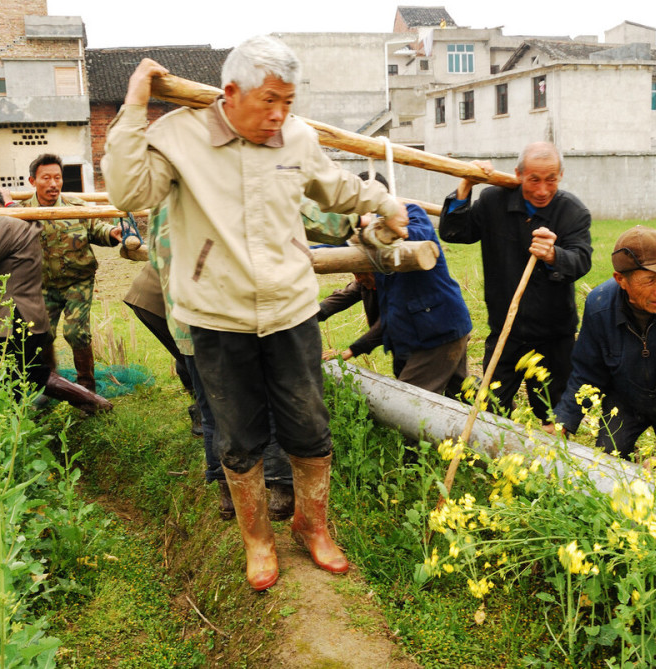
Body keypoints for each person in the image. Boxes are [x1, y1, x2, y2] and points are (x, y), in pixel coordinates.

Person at [102, 35, 408, 591]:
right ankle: (258, 540)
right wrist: (132, 107)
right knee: (239, 437)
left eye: (288, 101)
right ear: (231, 92)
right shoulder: (179, 136)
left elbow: (332, 187)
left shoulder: (296, 136)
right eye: (269, 100)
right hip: (217, 317)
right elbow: (127, 190)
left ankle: (312, 527)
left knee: (309, 428)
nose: (279, 114)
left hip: (291, 311)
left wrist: (378, 200)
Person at [124, 206, 295, 522]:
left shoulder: (169, 203)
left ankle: (227, 495)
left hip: (189, 326)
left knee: (212, 412)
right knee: (263, 402)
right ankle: (280, 487)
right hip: (227, 324)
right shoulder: (219, 196)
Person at [551, 226, 656, 484]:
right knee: (607, 470)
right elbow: (588, 371)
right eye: (650, 280)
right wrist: (562, 421)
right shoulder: (599, 306)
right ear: (621, 280)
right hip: (626, 398)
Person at [439, 142, 592, 421]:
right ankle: (492, 461)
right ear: (519, 174)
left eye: (551, 180)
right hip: (505, 329)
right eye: (534, 180)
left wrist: (554, 255)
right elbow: (454, 232)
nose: (542, 190)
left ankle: (551, 462)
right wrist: (466, 184)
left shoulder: (572, 212)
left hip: (554, 334)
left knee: (553, 413)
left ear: (560, 175)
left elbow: (582, 260)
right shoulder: (493, 201)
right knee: (491, 409)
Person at [0, 181, 112, 414]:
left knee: (32, 375)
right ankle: (20, 421)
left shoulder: (1, 223)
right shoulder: (9, 219)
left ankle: (96, 404)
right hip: (17, 315)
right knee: (19, 377)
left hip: (14, 317)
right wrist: (7, 203)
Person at [329, 172, 472, 397]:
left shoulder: (412, 215)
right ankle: (506, 422)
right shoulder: (359, 234)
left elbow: (417, 236)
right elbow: (331, 251)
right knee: (464, 392)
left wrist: (376, 229)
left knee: (407, 404)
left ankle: (508, 423)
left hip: (437, 329)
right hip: (421, 333)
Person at [19, 153, 122, 393]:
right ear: (33, 181)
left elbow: (97, 227)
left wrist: (112, 233)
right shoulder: (21, 213)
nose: (53, 184)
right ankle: (50, 386)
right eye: (46, 178)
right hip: (42, 285)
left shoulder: (76, 206)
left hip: (78, 281)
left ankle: (86, 387)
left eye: (58, 177)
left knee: (76, 332)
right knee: (41, 335)